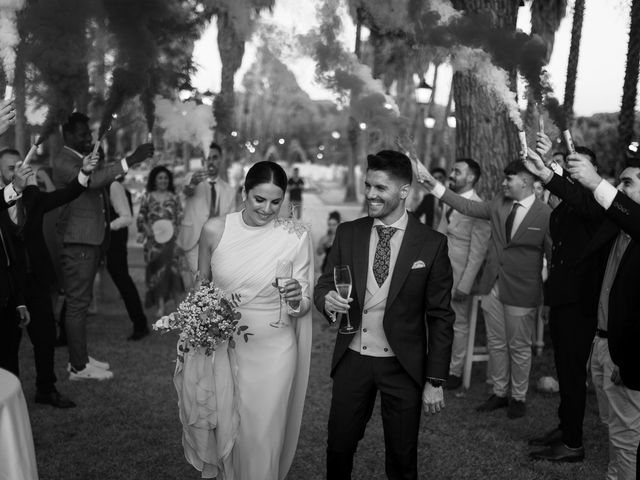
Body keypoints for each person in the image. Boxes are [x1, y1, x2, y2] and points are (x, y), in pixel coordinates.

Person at [314, 150, 454, 480]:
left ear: (404, 191)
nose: (370, 195)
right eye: (367, 186)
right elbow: (323, 284)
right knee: (338, 448)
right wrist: (327, 300)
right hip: (353, 359)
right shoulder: (349, 232)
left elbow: (440, 315)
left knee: (402, 458)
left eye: (380, 188)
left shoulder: (431, 244)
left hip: (402, 365)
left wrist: (434, 379)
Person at [523, 143, 640, 478]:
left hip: (609, 334)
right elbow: (580, 201)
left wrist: (593, 182)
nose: (620, 188)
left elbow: (591, 202)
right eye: (618, 182)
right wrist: (547, 173)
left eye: (628, 183)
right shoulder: (617, 224)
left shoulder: (624, 220)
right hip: (601, 336)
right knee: (614, 421)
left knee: (625, 433)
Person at [193, 161, 312, 479]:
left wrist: (296, 296)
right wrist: (201, 324)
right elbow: (201, 287)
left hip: (274, 351)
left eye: (276, 201)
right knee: (224, 429)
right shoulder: (214, 229)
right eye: (259, 199)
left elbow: (303, 305)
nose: (267, 209)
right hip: (222, 346)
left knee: (261, 436)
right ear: (245, 192)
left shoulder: (295, 236)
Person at [419, 159, 552, 419]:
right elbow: (466, 205)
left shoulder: (545, 214)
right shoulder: (498, 204)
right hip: (492, 286)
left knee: (520, 346)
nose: (502, 183)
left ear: (524, 181)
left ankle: (518, 397)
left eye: (508, 179)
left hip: (522, 291)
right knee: (496, 343)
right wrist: (431, 183)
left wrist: (548, 298)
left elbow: (551, 254)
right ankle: (500, 392)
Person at [52, 112, 153, 381]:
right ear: (69, 135)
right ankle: (77, 366)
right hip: (78, 241)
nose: (89, 137)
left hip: (89, 239)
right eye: (84, 133)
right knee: (77, 305)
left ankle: (80, 359)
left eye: (89, 132)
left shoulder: (77, 158)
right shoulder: (64, 161)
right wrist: (130, 159)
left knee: (80, 305)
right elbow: (94, 181)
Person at [0, 148, 98, 408]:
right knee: (8, 345)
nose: (18, 170)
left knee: (44, 338)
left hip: (37, 280)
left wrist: (84, 172)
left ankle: (46, 388)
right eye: (11, 168)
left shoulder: (32, 197)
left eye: (20, 165)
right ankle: (12, 397)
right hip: (8, 285)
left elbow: (66, 195)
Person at [526, 146, 600, 462]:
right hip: (561, 300)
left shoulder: (594, 201)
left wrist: (554, 177)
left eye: (570, 166)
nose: (564, 171)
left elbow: (581, 201)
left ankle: (572, 443)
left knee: (572, 376)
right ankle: (565, 428)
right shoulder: (564, 207)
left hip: (579, 304)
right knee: (564, 371)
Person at [435, 158, 491, 390]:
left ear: (471, 178)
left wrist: (465, 284)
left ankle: (455, 371)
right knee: (437, 320)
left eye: (457, 171)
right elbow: (439, 233)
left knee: (459, 323)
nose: (452, 174)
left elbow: (478, 252)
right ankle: (436, 365)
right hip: (439, 270)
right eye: (453, 170)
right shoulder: (450, 200)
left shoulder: (479, 207)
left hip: (460, 274)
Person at [177, 142, 236, 288]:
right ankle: (199, 308)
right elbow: (183, 196)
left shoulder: (229, 190)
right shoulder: (191, 179)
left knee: (215, 285)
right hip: (194, 241)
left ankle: (201, 309)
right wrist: (193, 184)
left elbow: (231, 220)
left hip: (217, 245)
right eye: (207, 158)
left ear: (220, 159)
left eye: (214, 157)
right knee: (201, 281)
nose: (211, 161)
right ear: (203, 161)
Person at [136, 166, 184, 317]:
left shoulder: (174, 197)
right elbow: (141, 218)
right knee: (156, 274)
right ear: (154, 180)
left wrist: (177, 233)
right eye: (160, 178)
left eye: (165, 178)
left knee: (174, 273)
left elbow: (180, 217)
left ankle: (179, 307)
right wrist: (146, 229)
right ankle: (161, 307)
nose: (163, 181)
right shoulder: (147, 197)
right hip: (153, 244)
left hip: (172, 242)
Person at [107, 174, 149, 340]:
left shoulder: (114, 186)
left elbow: (126, 218)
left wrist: (104, 227)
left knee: (123, 281)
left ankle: (140, 323)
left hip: (113, 242)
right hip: (106, 240)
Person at [316, 210, 341, 275]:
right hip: (327, 267)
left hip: (340, 267)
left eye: (334, 225)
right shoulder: (325, 237)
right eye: (330, 224)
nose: (331, 227)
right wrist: (324, 245)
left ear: (339, 224)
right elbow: (319, 252)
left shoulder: (342, 237)